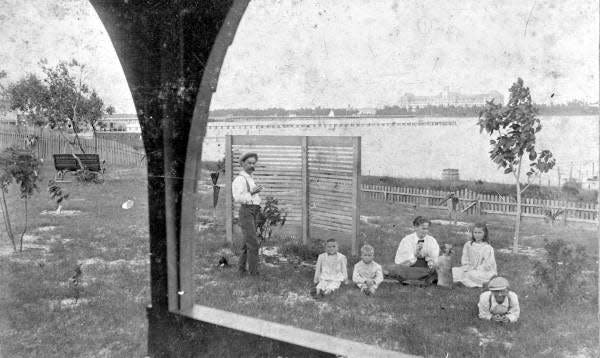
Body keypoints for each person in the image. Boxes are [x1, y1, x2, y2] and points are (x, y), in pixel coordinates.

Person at [383, 216, 439, 286]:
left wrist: (429, 259)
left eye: (427, 229)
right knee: (396, 269)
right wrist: (415, 254)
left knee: (436, 271)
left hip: (425, 267)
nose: (425, 231)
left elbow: (434, 258)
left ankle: (417, 278)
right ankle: (422, 279)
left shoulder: (431, 240)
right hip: (410, 268)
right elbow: (402, 260)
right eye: (423, 228)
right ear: (415, 227)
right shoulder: (407, 240)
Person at [232, 152, 263, 275]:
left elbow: (252, 196)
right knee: (253, 244)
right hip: (246, 211)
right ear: (242, 164)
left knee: (247, 243)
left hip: (253, 211)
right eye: (249, 163)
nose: (252, 165)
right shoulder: (240, 179)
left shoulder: (249, 178)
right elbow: (238, 198)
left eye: (253, 163)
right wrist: (253, 192)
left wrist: (255, 193)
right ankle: (254, 274)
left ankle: (241, 270)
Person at [452, 222, 497, 288]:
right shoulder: (468, 245)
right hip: (469, 268)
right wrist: (467, 267)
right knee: (454, 271)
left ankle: (471, 280)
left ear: (485, 234)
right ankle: (465, 278)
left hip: (482, 271)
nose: (477, 235)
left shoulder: (487, 248)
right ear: (472, 233)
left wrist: (476, 269)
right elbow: (465, 258)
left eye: (479, 233)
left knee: (472, 275)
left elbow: (488, 264)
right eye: (475, 233)